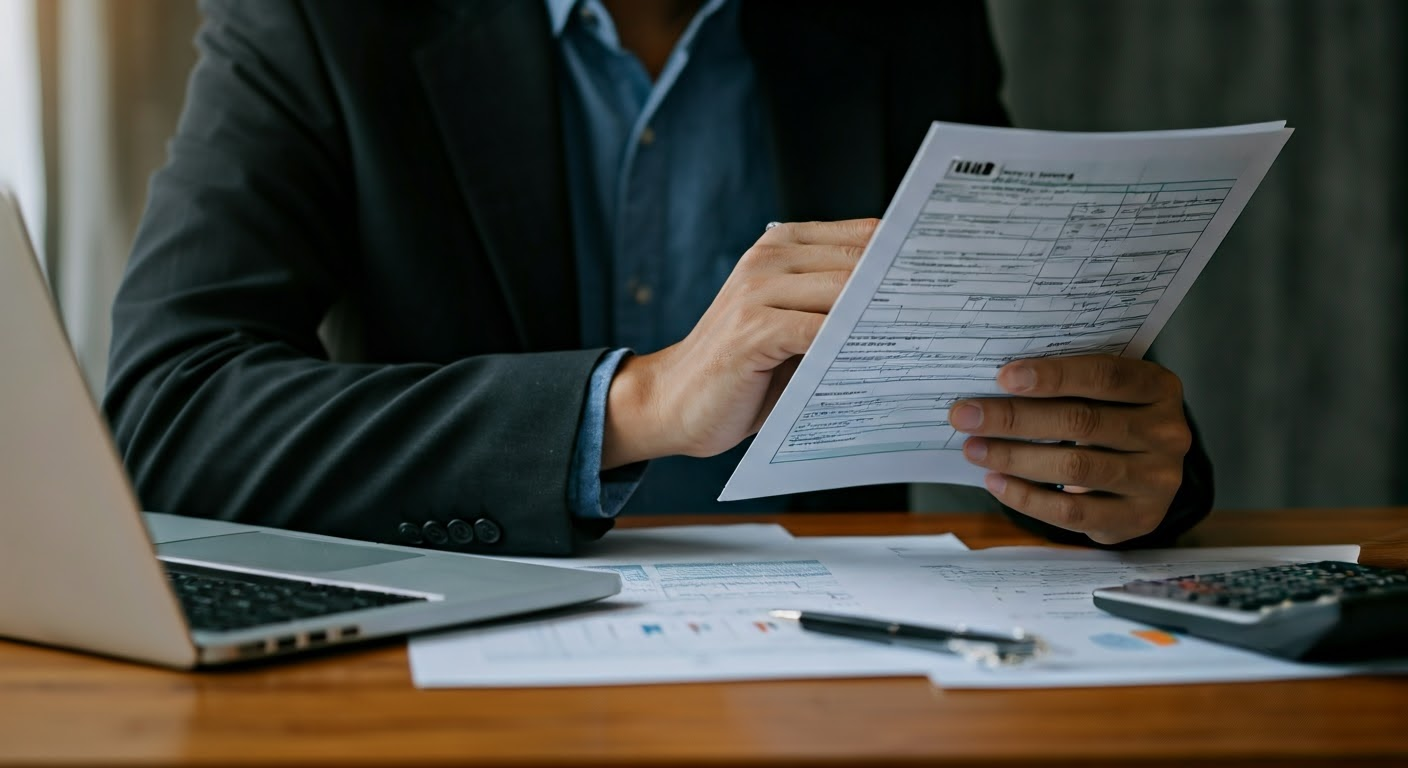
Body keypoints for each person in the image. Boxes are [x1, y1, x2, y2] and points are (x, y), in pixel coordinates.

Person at [104, 0, 1212, 557]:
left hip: (846, 674)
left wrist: (1126, 472)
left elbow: (1044, 362)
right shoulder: (319, 19)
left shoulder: (899, 17)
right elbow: (169, 413)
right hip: (451, 668)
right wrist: (634, 403)